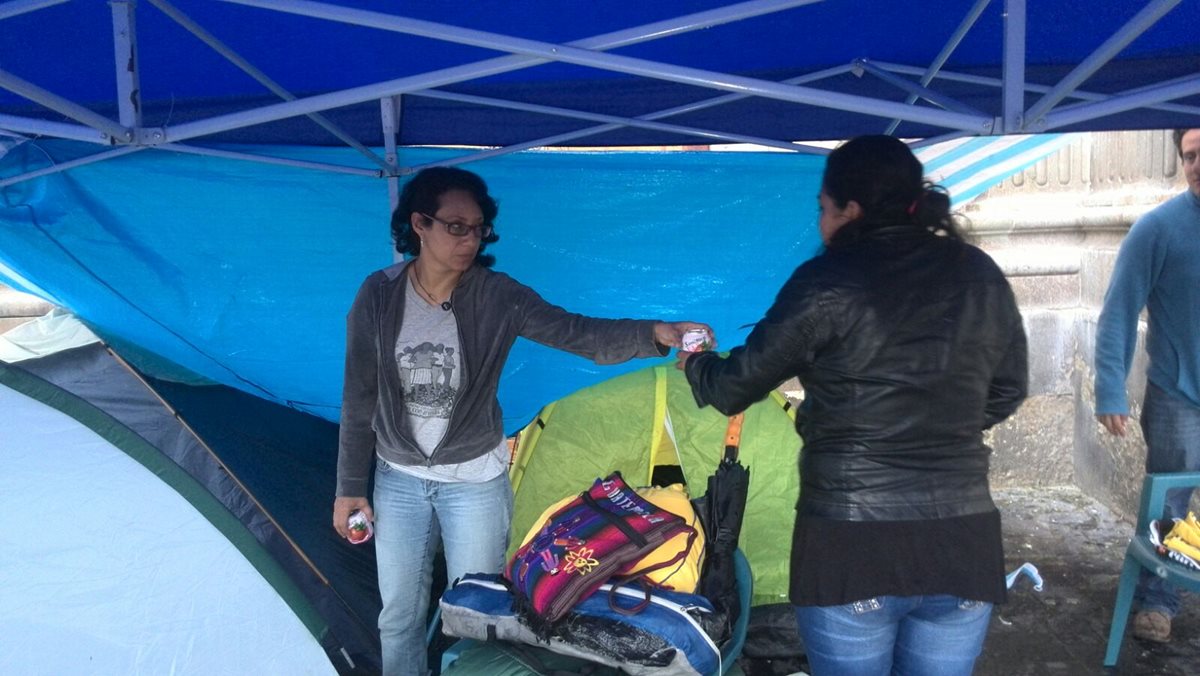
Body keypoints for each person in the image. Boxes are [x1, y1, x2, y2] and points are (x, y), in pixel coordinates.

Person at [333, 166, 710, 676]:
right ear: (419, 224)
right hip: (397, 480)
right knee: (398, 616)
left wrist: (657, 333)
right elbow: (359, 394)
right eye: (456, 226)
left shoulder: (497, 295)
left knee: (474, 610)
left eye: (480, 227)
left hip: (474, 484)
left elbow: (577, 332)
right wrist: (349, 486)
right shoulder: (378, 294)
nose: (471, 239)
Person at [677, 135, 1028, 675]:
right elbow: (1007, 389)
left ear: (851, 209)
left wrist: (694, 363)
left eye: (823, 209)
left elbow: (733, 387)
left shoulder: (825, 282)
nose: (821, 223)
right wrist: (938, 425)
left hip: (850, 544)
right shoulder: (978, 273)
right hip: (961, 543)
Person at [1095, 128, 1200, 645]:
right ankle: (1159, 601)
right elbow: (1118, 310)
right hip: (1178, 397)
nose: (1198, 163)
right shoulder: (1157, 229)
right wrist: (1110, 388)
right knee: (1169, 510)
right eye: (1190, 155)